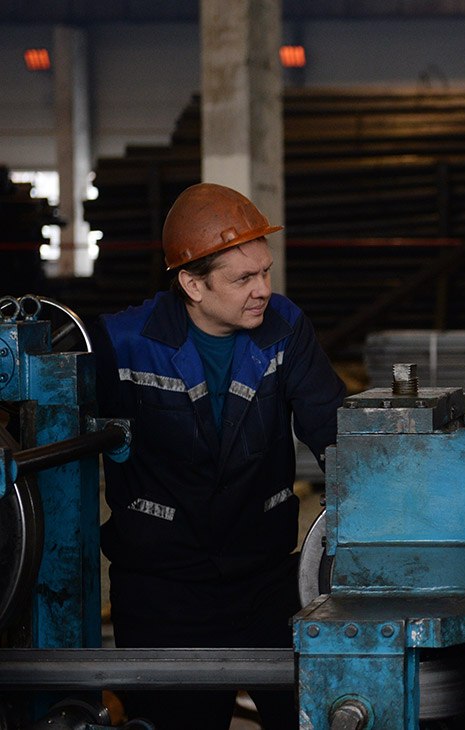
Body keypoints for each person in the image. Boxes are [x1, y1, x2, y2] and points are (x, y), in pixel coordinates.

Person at [93, 183, 346, 730]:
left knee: (316, 718)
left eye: (265, 272)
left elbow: (333, 429)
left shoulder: (284, 329)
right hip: (163, 593)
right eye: (243, 278)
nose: (262, 290)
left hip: (266, 584)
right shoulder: (122, 343)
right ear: (192, 283)